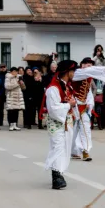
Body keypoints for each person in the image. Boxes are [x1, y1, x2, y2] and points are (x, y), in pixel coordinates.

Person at [43, 60, 78, 189]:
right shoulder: (53, 88)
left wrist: (72, 104)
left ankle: (60, 172)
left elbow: (70, 104)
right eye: (73, 71)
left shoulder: (68, 87)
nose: (74, 73)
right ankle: (56, 177)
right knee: (58, 147)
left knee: (65, 147)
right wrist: (69, 105)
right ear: (67, 72)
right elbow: (53, 108)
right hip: (56, 122)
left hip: (66, 121)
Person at [71, 59, 105, 160]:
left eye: (91, 66)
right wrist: (104, 69)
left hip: (83, 107)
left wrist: (90, 102)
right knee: (72, 130)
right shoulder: (77, 73)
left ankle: (85, 151)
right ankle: (72, 150)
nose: (90, 68)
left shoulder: (89, 76)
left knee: (86, 129)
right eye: (88, 65)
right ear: (82, 65)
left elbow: (88, 91)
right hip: (73, 106)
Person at [4, 67, 26, 131]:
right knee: (11, 111)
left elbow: (24, 88)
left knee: (16, 111)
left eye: (16, 71)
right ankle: (11, 124)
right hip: (11, 96)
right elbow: (7, 86)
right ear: (11, 72)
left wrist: (22, 83)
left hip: (18, 97)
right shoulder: (8, 77)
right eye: (14, 71)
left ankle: (15, 125)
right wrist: (17, 84)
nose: (15, 72)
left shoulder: (19, 77)